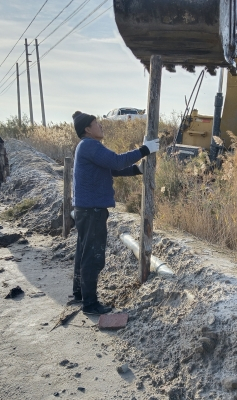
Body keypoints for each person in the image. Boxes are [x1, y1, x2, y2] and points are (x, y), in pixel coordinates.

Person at [70, 111, 159, 315]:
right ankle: (90, 305)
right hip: (92, 209)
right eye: (97, 123)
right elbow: (117, 162)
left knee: (84, 253)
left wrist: (137, 170)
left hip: (87, 208)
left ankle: (80, 295)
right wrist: (145, 149)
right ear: (87, 129)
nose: (101, 126)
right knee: (93, 256)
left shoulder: (87, 147)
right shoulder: (89, 145)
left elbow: (112, 169)